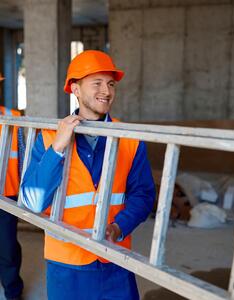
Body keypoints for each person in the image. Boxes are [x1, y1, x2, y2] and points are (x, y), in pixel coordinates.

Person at [21, 50, 156, 300]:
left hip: (115, 258)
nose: (106, 91)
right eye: (97, 83)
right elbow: (32, 202)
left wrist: (119, 226)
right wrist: (58, 149)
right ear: (75, 89)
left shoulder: (128, 138)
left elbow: (143, 194)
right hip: (66, 263)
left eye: (111, 83)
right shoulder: (49, 138)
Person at [0, 73, 24, 300]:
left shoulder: (12, 117)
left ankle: (13, 292)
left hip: (6, 196)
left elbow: (23, 157)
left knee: (7, 249)